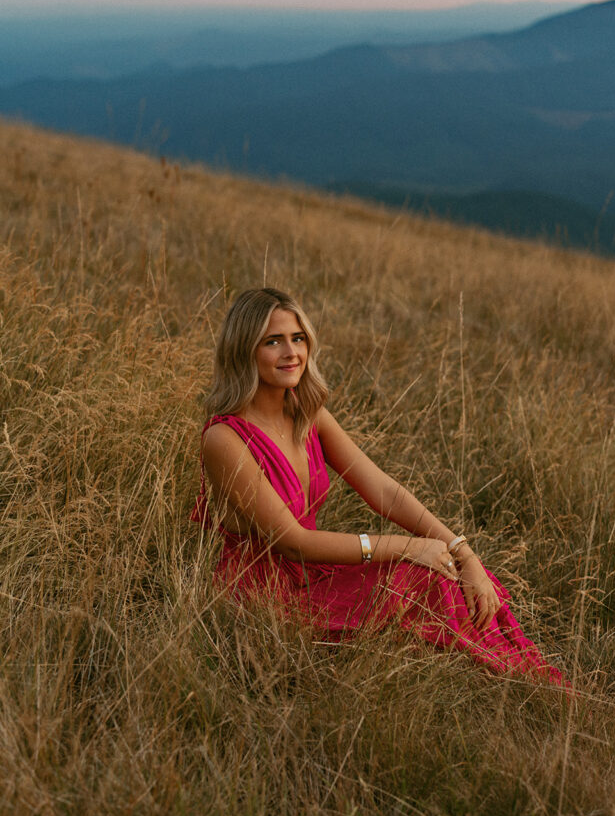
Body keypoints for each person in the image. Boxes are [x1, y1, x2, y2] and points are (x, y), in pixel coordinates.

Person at [192, 287, 567, 685]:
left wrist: (462, 552)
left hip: (316, 573)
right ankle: (513, 680)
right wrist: (409, 546)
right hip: (265, 594)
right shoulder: (224, 439)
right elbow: (292, 541)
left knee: (466, 577)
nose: (291, 352)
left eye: (298, 338)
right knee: (419, 576)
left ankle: (537, 680)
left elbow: (383, 491)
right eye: (273, 342)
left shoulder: (306, 412)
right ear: (244, 350)